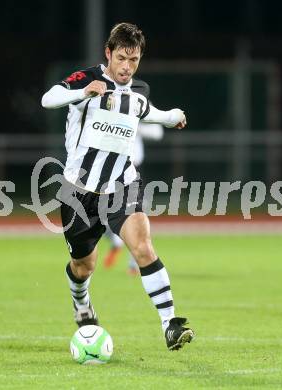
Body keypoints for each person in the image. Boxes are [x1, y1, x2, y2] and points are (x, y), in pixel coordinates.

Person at [41, 22, 194, 350]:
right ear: (108, 53)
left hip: (121, 185)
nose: (127, 67)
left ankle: (170, 323)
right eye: (122, 58)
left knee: (142, 246)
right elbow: (48, 98)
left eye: (134, 60)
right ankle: (81, 302)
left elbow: (146, 112)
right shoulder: (86, 79)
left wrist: (172, 116)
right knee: (84, 265)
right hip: (78, 192)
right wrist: (82, 93)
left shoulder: (138, 90)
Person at [103, 121, 164, 274]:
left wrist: (134, 124)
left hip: (133, 169)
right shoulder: (107, 101)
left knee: (137, 216)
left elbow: (157, 132)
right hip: (108, 168)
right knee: (97, 213)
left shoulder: (139, 104)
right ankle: (117, 241)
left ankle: (134, 263)